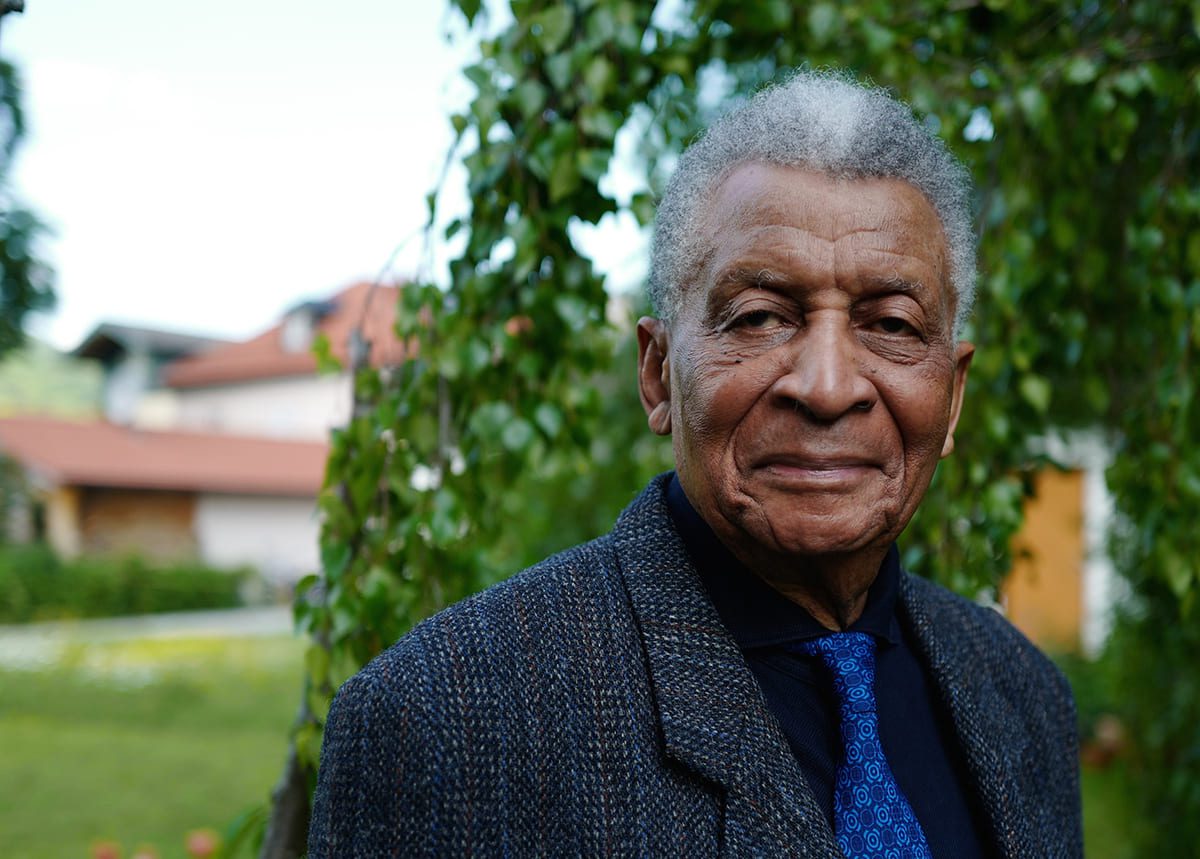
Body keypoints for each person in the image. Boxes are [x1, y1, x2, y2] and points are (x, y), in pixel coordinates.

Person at [308, 70, 1082, 858]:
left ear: (951, 398)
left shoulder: (1025, 698)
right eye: (760, 316)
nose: (826, 386)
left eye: (890, 322)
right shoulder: (446, 721)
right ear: (657, 374)